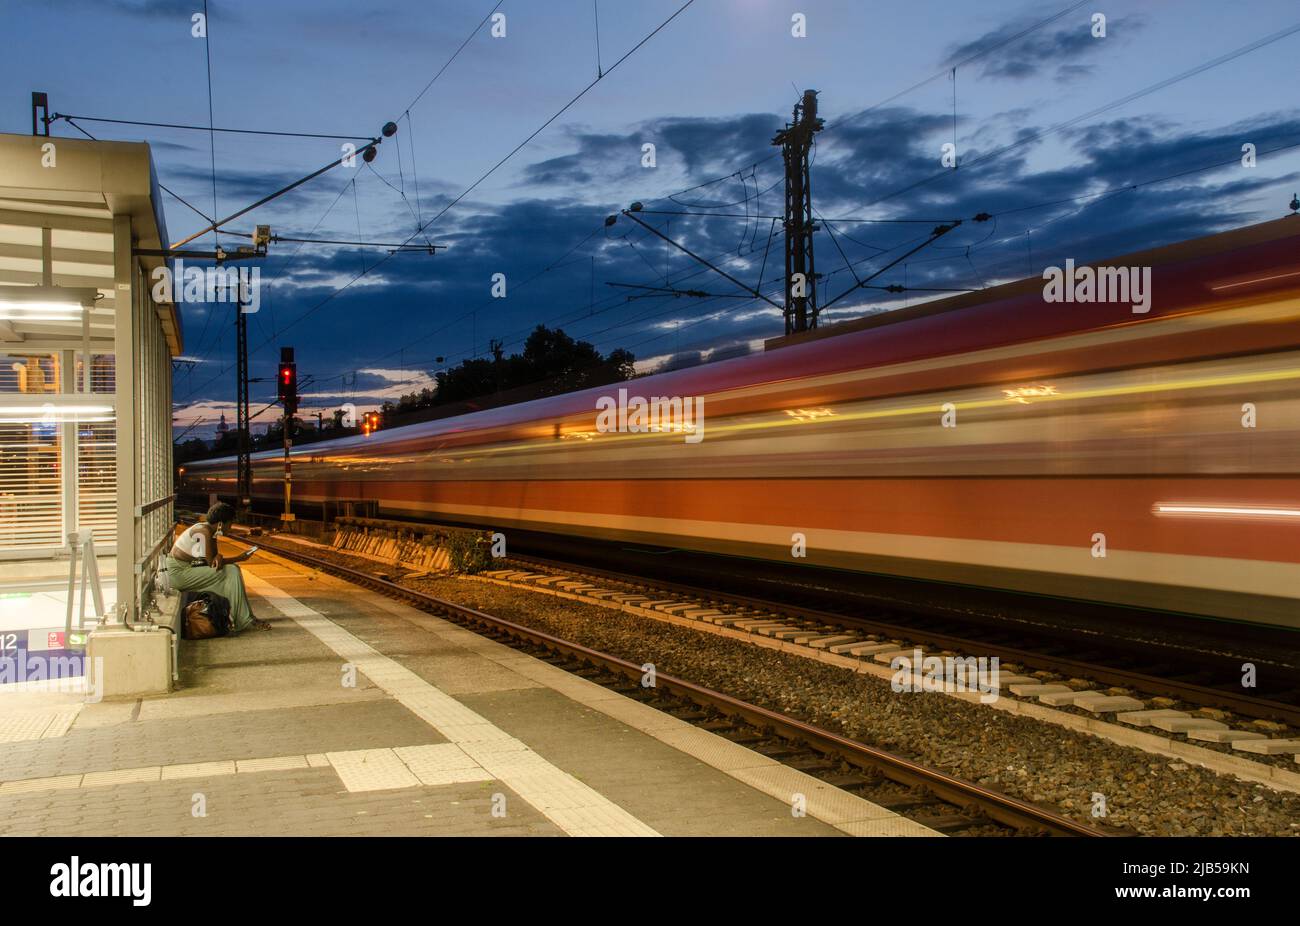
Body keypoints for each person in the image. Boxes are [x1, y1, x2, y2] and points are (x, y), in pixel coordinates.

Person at [166, 502, 270, 633]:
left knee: (231, 572)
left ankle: (242, 618)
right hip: (177, 573)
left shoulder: (209, 531)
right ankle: (244, 620)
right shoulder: (203, 532)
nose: (231, 528)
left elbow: (215, 562)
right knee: (232, 571)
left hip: (184, 570)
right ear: (221, 524)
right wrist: (239, 558)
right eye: (230, 524)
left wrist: (220, 558)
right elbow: (213, 563)